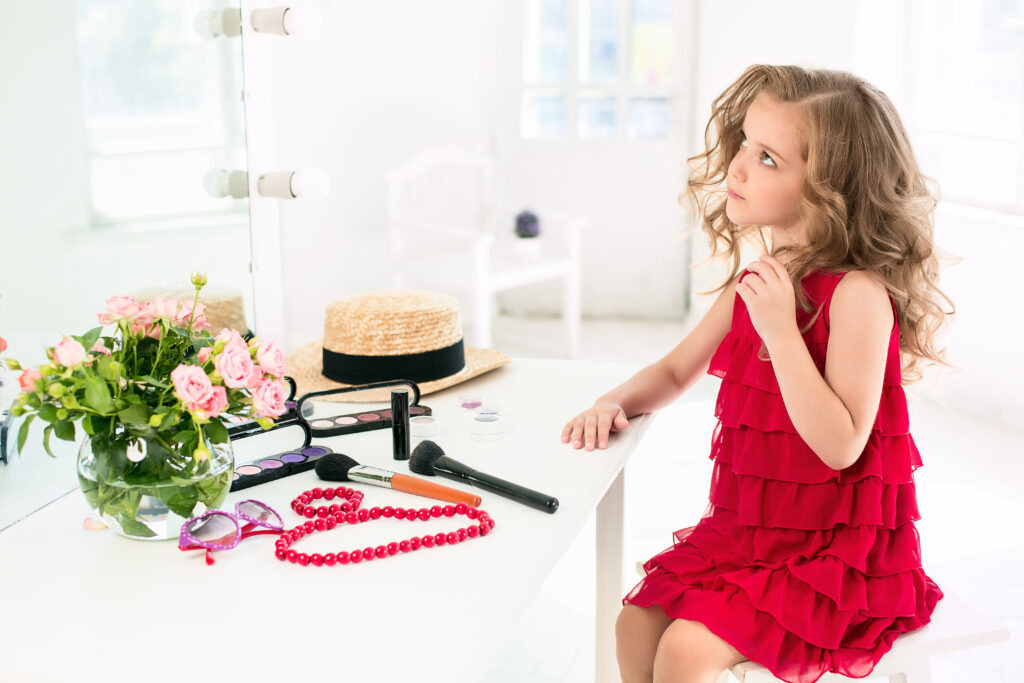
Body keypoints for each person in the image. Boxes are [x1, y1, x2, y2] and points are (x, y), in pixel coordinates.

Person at [561, 64, 953, 683]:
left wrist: (779, 332)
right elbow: (672, 370)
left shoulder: (856, 295)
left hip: (837, 555)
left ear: (830, 187)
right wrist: (611, 401)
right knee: (635, 621)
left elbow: (842, 442)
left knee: (687, 651)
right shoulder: (764, 277)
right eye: (745, 142)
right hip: (749, 535)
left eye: (768, 158)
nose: (738, 168)